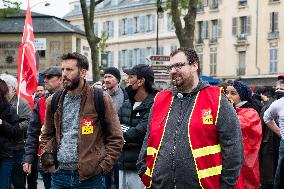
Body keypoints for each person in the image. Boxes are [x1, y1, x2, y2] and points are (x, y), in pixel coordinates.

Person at [137, 48, 244, 189]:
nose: (173, 71)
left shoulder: (217, 99)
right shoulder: (160, 99)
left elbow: (233, 147)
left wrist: (226, 185)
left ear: (194, 66)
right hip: (159, 185)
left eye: (179, 65)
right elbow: (148, 138)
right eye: (171, 67)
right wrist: (143, 169)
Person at [40, 52, 124, 188]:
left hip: (91, 178)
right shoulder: (53, 101)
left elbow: (116, 137)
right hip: (59, 175)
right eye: (62, 69)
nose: (64, 74)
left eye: (69, 70)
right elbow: (46, 134)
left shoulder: (100, 98)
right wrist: (48, 158)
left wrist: (103, 167)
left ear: (83, 72)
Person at [118, 64, 158, 189]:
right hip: (122, 167)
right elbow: (111, 129)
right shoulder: (126, 104)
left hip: (142, 170)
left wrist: (121, 134)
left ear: (140, 81)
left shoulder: (155, 105)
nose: (127, 80)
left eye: (130, 77)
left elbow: (138, 134)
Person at [23, 66, 63, 189]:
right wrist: (28, 158)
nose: (45, 80)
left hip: (69, 162)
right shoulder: (40, 102)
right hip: (48, 159)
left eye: (49, 77)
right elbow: (32, 133)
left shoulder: (71, 99)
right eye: (44, 77)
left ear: (61, 79)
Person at [225, 80, 262, 189]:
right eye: (226, 92)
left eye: (233, 93)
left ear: (242, 96)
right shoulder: (232, 110)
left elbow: (235, 124)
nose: (228, 96)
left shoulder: (251, 113)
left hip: (245, 164)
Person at [0, 74, 33, 189]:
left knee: (18, 180)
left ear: (13, 89)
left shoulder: (22, 103)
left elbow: (29, 122)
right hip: (4, 148)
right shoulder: (2, 103)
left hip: (17, 147)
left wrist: (14, 127)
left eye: (5, 87)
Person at [103, 67, 127, 189]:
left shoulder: (125, 97)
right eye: (105, 77)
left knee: (118, 180)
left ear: (117, 80)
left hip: (120, 145)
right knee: (104, 179)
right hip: (102, 145)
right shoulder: (99, 96)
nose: (106, 79)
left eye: (110, 77)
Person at [264, 77, 284, 189]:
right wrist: (280, 133)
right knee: (280, 175)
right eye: (278, 86)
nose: (280, 87)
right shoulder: (279, 103)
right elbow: (266, 118)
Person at [0, 79, 20, 189]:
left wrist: (2, 123)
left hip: (5, 155)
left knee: (3, 184)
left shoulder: (10, 110)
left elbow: (16, 132)